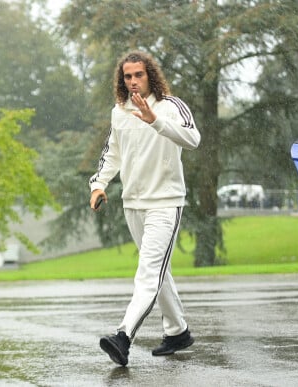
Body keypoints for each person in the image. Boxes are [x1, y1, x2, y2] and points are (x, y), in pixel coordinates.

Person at [89, 51, 201, 366]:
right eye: (128, 76)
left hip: (165, 202)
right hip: (133, 204)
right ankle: (178, 331)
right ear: (122, 80)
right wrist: (98, 185)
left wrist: (156, 122)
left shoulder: (171, 106)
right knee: (157, 270)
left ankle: (123, 336)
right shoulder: (120, 112)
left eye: (139, 74)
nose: (134, 81)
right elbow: (112, 153)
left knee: (149, 272)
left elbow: (193, 139)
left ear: (150, 74)